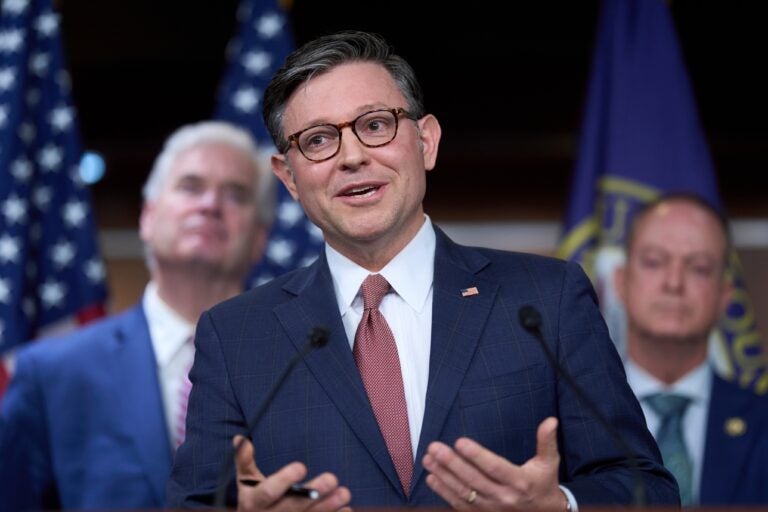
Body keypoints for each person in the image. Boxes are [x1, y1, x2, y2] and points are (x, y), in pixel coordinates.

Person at [167, 30, 679, 510]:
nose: (352, 157)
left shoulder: (547, 300)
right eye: (318, 140)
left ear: (426, 141)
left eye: (375, 125)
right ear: (289, 178)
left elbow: (647, 488)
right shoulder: (235, 336)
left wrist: (560, 504)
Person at [0, 121, 275, 510]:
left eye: (235, 194)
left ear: (260, 238)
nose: (210, 205)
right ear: (148, 217)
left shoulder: (308, 367)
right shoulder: (51, 374)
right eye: (190, 187)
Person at [613, 194, 768, 506]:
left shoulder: (763, 423)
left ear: (725, 294)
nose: (674, 282)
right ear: (621, 282)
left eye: (699, 268)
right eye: (654, 262)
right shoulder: (570, 423)